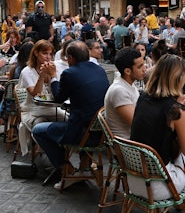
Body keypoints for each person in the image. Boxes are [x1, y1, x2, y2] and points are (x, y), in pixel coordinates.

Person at [32, 40, 109, 189]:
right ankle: (84, 167)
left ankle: (66, 169)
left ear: (71, 58)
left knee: (38, 131)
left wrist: (53, 76)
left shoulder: (69, 73)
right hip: (102, 132)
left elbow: (59, 97)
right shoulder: (99, 70)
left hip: (82, 133)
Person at [130, 54, 185, 200]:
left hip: (133, 180)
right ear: (179, 78)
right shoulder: (176, 111)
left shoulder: (143, 97)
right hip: (160, 187)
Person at [18, 40, 62, 155]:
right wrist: (42, 75)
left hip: (52, 108)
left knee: (71, 122)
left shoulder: (53, 69)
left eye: (50, 54)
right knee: (40, 125)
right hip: (32, 110)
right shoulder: (27, 71)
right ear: (36, 53)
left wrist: (53, 76)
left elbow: (58, 93)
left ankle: (61, 155)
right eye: (45, 53)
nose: (48, 57)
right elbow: (35, 93)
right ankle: (52, 155)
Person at [104, 47, 146, 139]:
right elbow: (137, 125)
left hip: (135, 140)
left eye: (144, 64)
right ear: (127, 71)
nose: (144, 69)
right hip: (129, 146)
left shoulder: (128, 83)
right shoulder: (119, 90)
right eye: (140, 67)